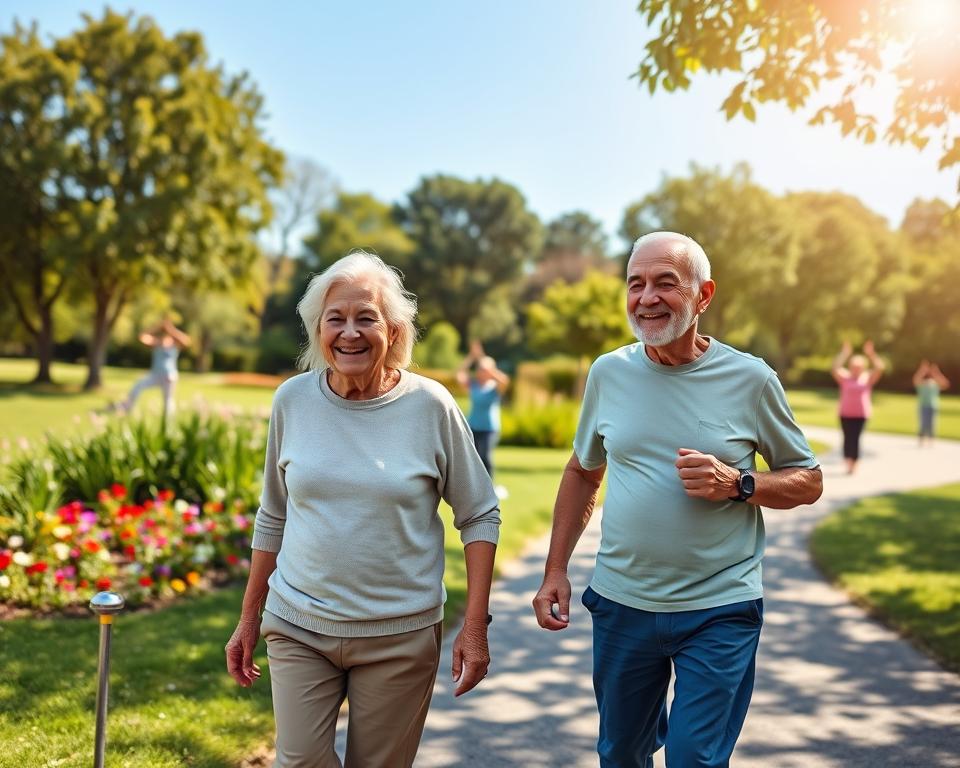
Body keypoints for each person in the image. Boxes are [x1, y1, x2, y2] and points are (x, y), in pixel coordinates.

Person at [532, 231, 823, 768]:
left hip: (720, 607)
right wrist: (555, 569)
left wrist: (739, 483)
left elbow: (808, 480)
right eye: (635, 284)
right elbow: (582, 472)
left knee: (693, 759)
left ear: (703, 295)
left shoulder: (751, 379)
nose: (647, 298)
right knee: (622, 753)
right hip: (623, 603)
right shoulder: (608, 373)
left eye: (665, 283)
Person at [225, 251, 500, 768]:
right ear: (318, 330)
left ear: (393, 331)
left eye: (366, 318)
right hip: (298, 624)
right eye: (335, 318)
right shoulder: (292, 401)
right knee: (300, 762)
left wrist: (475, 626)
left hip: (400, 634)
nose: (349, 333)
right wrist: (248, 617)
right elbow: (273, 515)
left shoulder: (431, 406)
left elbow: (480, 514)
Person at [456, 340, 511, 497]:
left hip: (489, 429)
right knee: (472, 458)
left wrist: (487, 365)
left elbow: (505, 381)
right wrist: (472, 357)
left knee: (485, 456)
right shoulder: (473, 385)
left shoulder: (495, 386)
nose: (482, 371)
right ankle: (474, 488)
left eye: (484, 369)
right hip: (473, 426)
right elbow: (459, 374)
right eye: (480, 369)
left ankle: (489, 488)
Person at [831, 340, 885, 474]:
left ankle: (853, 463)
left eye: (859, 367)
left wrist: (871, 354)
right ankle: (848, 460)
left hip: (861, 414)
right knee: (847, 438)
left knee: (855, 438)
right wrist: (844, 353)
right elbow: (834, 367)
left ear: (863, 367)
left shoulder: (867, 378)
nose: (856, 369)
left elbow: (880, 367)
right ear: (850, 367)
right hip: (845, 413)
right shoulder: (845, 377)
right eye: (854, 366)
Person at [122, 317, 191, 416]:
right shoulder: (157, 344)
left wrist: (170, 329)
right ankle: (127, 407)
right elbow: (142, 337)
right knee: (138, 386)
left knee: (168, 400)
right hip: (155, 375)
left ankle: (168, 420)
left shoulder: (174, 345)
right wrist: (158, 327)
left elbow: (186, 340)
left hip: (169, 376)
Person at [912, 360, 951, 446]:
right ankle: (922, 439)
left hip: (933, 406)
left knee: (932, 424)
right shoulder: (922, 384)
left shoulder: (934, 384)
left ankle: (931, 440)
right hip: (923, 406)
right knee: (923, 423)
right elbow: (915, 380)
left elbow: (945, 384)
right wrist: (922, 370)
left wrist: (936, 372)